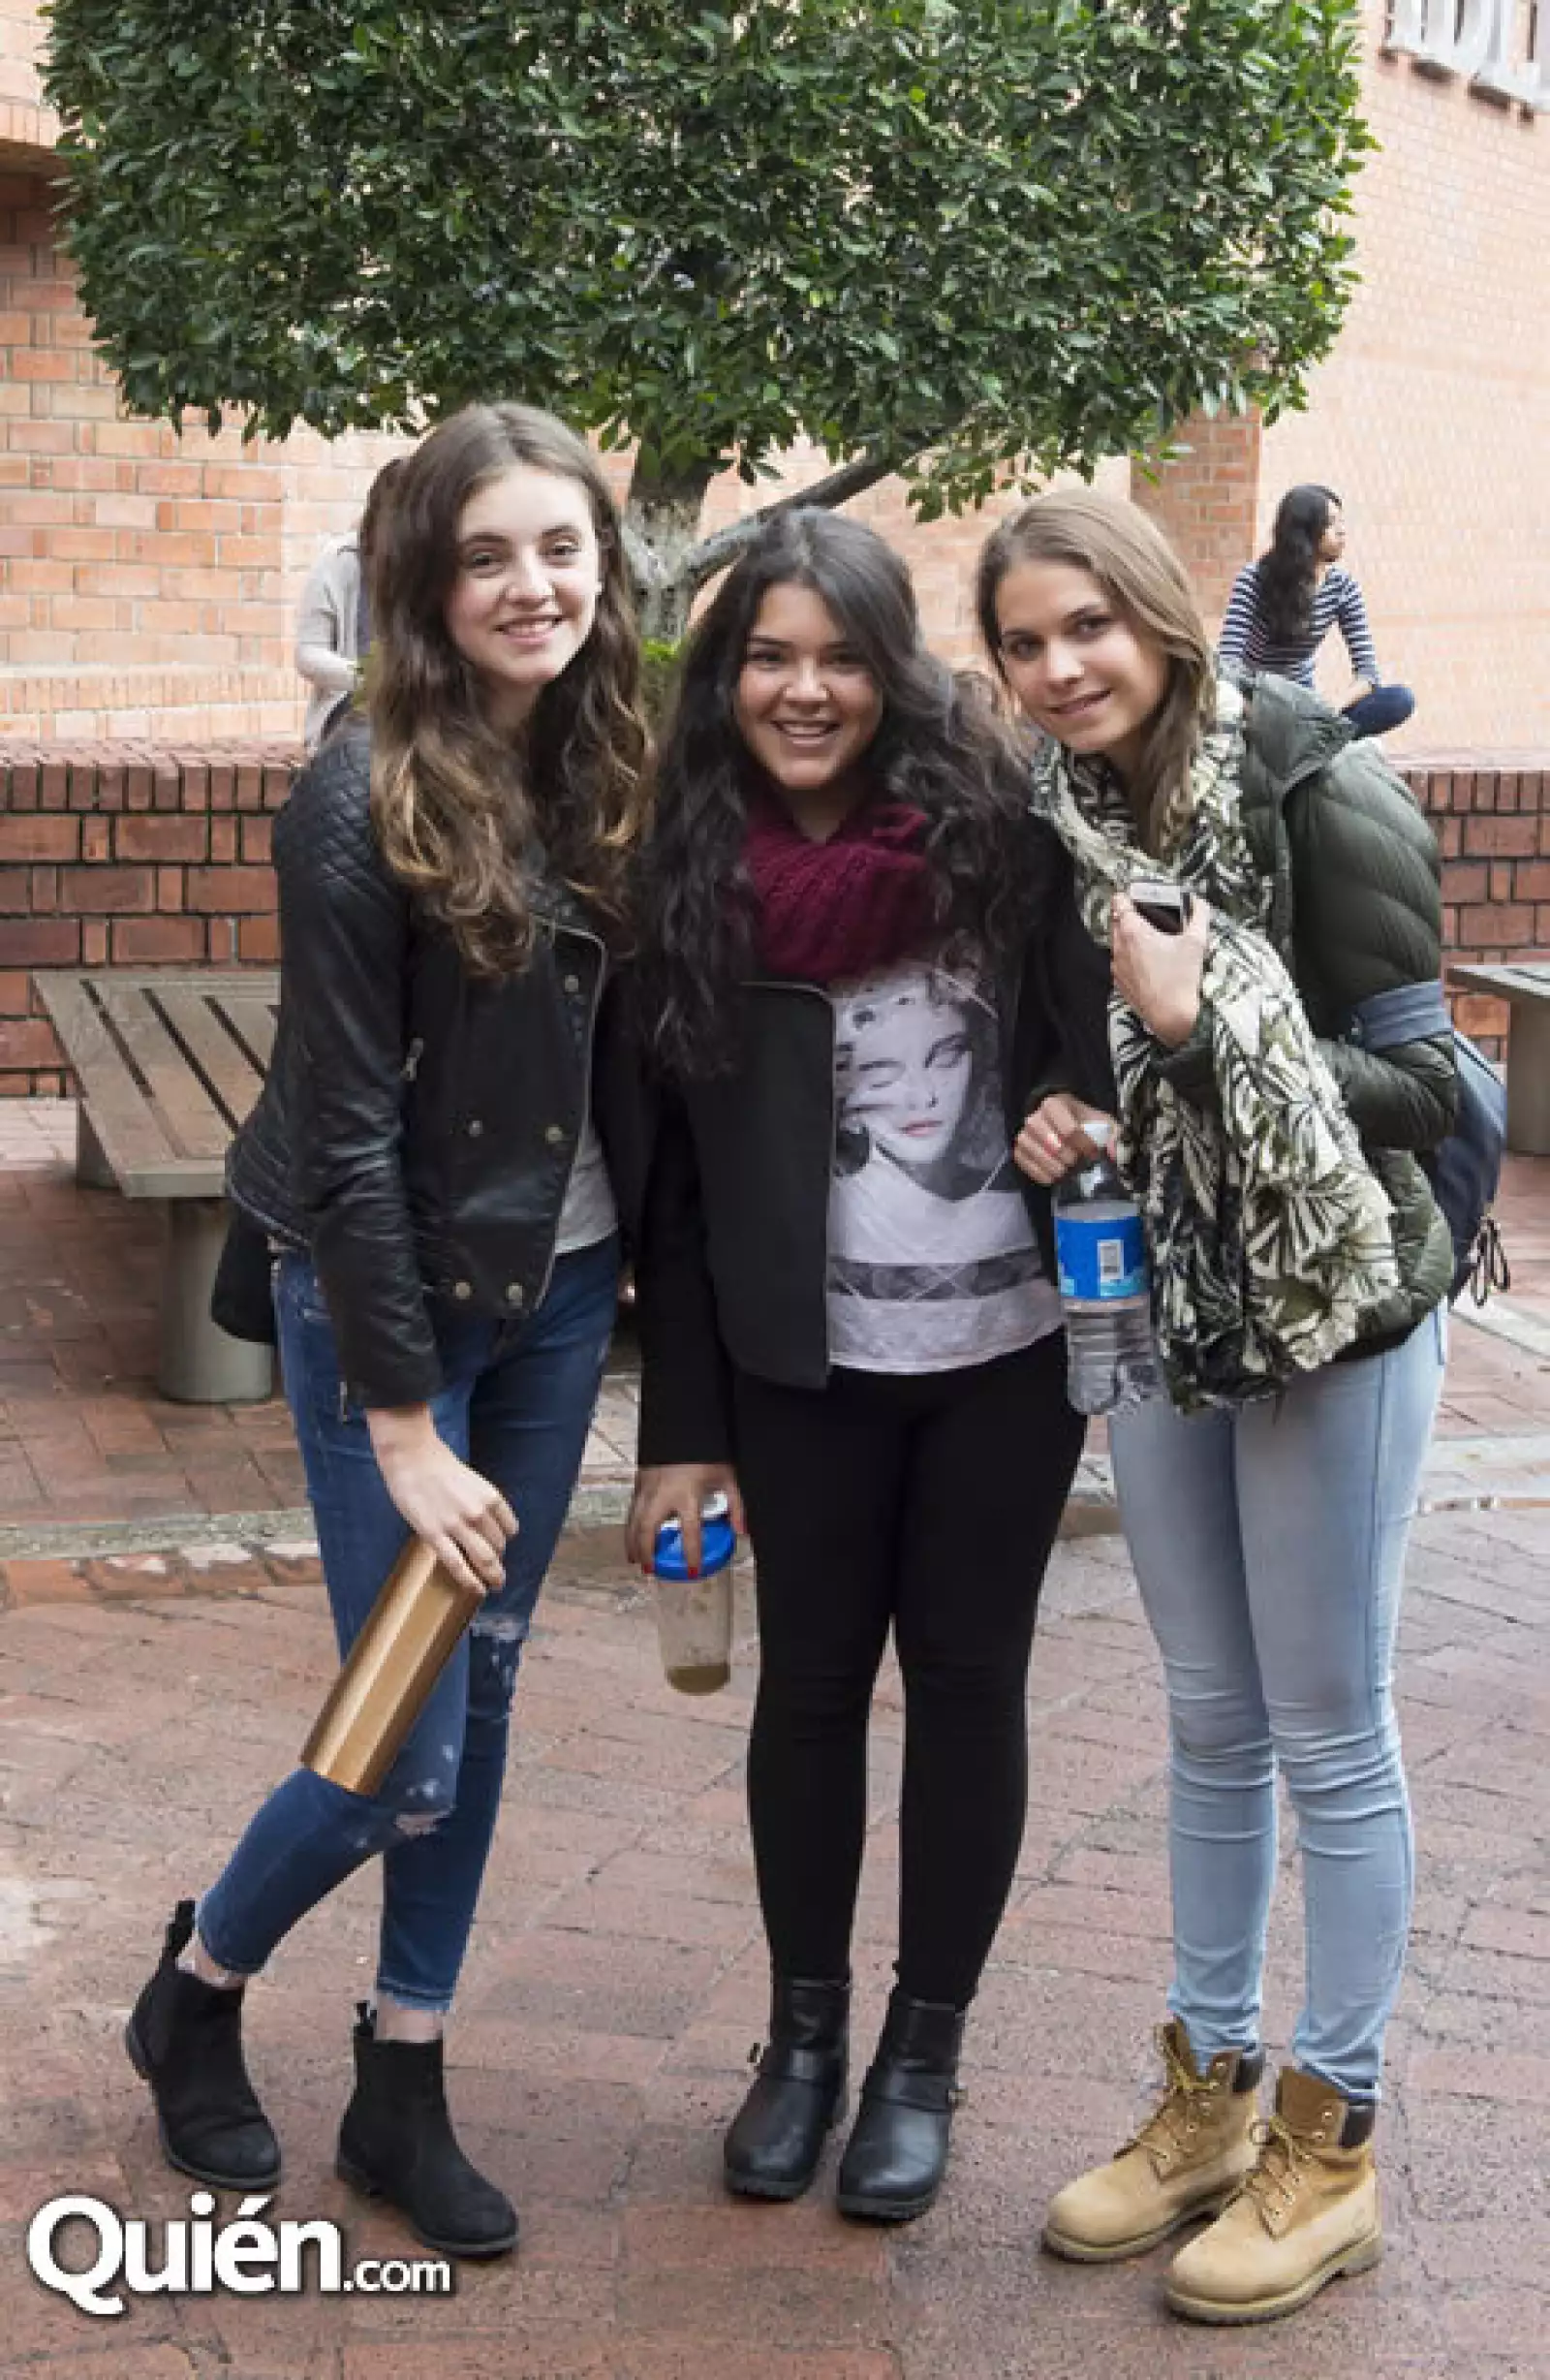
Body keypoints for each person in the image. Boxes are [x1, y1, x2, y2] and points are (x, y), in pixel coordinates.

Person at [124, 403, 650, 2261]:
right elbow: (345, 1124)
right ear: (425, 575)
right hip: (392, 1314)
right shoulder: (361, 786)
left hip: (566, 1290)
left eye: (564, 548)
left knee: (486, 1684)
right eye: (491, 553)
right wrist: (407, 1420)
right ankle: (199, 1982)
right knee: (405, 1741)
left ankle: (399, 2077)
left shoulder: (606, 751)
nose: (534, 585)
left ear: (607, 559)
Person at [976, 488, 1455, 2324]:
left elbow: (1428, 1089)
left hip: (1339, 1303)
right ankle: (1205, 2098)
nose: (1056, 666)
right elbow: (1069, 1040)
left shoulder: (1322, 785)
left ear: (1166, 618)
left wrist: (1201, 1037)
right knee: (1206, 1716)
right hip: (1167, 1297)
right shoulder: (1067, 821)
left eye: (1086, 624)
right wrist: (1065, 1108)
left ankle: (1329, 2149)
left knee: (1331, 1728)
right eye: (1024, 641)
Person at [625, 509, 1086, 2225]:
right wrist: (680, 1426)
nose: (803, 691)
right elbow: (672, 1185)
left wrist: (1086, 1111)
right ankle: (799, 2042)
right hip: (795, 1366)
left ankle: (921, 2053)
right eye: (767, 657)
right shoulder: (685, 870)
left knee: (968, 1690)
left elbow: (1084, 1048)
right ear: (723, 674)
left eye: (838, 656)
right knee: (809, 1692)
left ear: (890, 668)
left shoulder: (1004, 841)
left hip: (1004, 1355)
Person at [1217, 484, 1415, 740]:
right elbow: (1227, 663)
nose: (1342, 532)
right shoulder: (1254, 579)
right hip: (1255, 701)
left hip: (1306, 705)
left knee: (1399, 700)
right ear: (1304, 533)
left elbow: (1368, 674)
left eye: (1342, 522)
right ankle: (1306, 742)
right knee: (1219, 702)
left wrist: (1329, 710)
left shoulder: (1343, 586)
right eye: (1332, 524)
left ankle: (1313, 740)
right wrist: (1251, 713)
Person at [294, 457, 407, 750]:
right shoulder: (341, 560)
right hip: (350, 712)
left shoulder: (441, 570)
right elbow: (308, 654)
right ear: (378, 518)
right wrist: (371, 679)